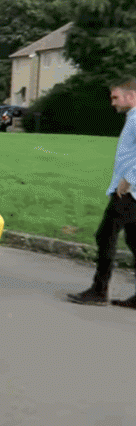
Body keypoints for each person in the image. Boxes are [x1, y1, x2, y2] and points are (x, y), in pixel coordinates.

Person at [69, 78, 136, 307]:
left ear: (132, 96)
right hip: (130, 191)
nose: (112, 102)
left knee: (105, 235)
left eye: (116, 97)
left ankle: (99, 291)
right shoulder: (132, 118)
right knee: (134, 241)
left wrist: (128, 180)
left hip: (129, 193)